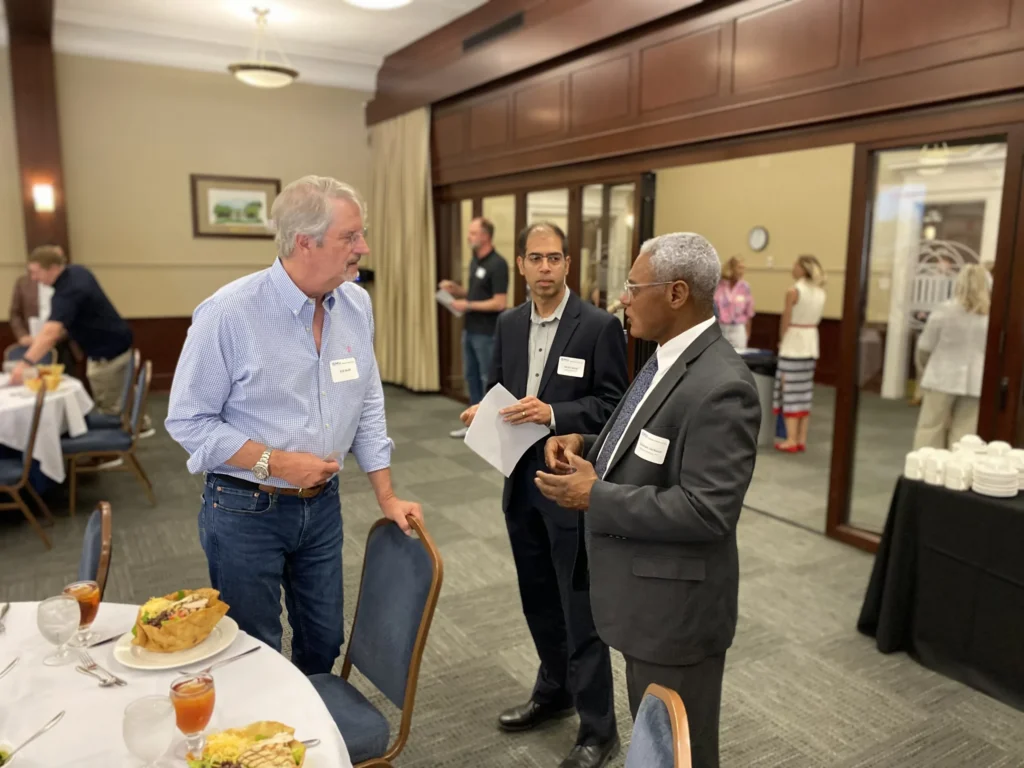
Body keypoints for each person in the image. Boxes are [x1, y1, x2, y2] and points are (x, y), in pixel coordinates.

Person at [165, 175, 423, 676]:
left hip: (322, 505)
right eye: (351, 237)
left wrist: (386, 495)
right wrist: (277, 462)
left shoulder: (357, 304)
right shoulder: (229, 314)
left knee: (324, 639)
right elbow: (188, 420)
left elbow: (368, 401)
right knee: (254, 649)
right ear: (305, 241)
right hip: (243, 509)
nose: (363, 248)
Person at [534, 232, 760, 768]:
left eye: (634, 287)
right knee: (652, 742)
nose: (622, 299)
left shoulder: (722, 386)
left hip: (677, 616)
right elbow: (636, 440)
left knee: (680, 750)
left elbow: (707, 511)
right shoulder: (665, 358)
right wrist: (585, 444)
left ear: (677, 294)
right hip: (644, 602)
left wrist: (596, 496)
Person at [460, 222, 627, 768]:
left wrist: (554, 413)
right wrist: (483, 410)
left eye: (555, 258)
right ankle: (554, 691)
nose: (546, 268)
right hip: (518, 479)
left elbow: (614, 406)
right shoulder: (508, 324)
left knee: (579, 608)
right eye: (536, 258)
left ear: (568, 265)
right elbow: (501, 390)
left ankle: (599, 728)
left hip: (567, 483)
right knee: (537, 598)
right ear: (523, 264)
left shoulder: (598, 326)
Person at [9, 246, 151, 434]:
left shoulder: (68, 291)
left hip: (108, 354)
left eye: (36, 272)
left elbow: (51, 332)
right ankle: (139, 424)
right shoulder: (78, 272)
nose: (33, 278)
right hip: (117, 345)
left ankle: (113, 450)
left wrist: (25, 364)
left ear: (52, 268)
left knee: (110, 407)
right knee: (120, 395)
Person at [438, 217, 509, 438]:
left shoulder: (498, 264)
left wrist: (467, 304)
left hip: (487, 332)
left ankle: (492, 428)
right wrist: (458, 291)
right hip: (470, 329)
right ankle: (474, 424)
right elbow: (477, 294)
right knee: (471, 376)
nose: (469, 237)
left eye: (473, 233)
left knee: (487, 378)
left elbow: (500, 302)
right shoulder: (476, 261)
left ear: (486, 236)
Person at [913, 264, 990, 449]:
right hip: (976, 381)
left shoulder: (945, 310)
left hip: (941, 376)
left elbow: (925, 346)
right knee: (965, 433)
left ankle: (926, 471)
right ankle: (957, 473)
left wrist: (923, 369)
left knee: (931, 427)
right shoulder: (991, 315)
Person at [772, 255, 826, 452]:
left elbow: (786, 319)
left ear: (803, 269)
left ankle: (791, 439)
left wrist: (782, 339)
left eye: (795, 264)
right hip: (811, 343)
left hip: (793, 344)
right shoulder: (820, 292)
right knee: (804, 392)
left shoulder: (793, 291)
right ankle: (801, 438)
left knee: (789, 392)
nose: (792, 267)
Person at [7, 265, 78, 372]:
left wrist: (58, 333)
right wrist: (22, 335)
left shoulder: (66, 283)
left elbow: (73, 312)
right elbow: (15, 314)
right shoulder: (23, 283)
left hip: (62, 343)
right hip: (32, 342)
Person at [713, 256, 754, 350]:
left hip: (738, 329)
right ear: (731, 268)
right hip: (720, 328)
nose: (742, 271)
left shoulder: (745, 287)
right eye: (739, 267)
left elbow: (749, 313)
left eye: (743, 268)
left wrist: (747, 334)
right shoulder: (719, 285)